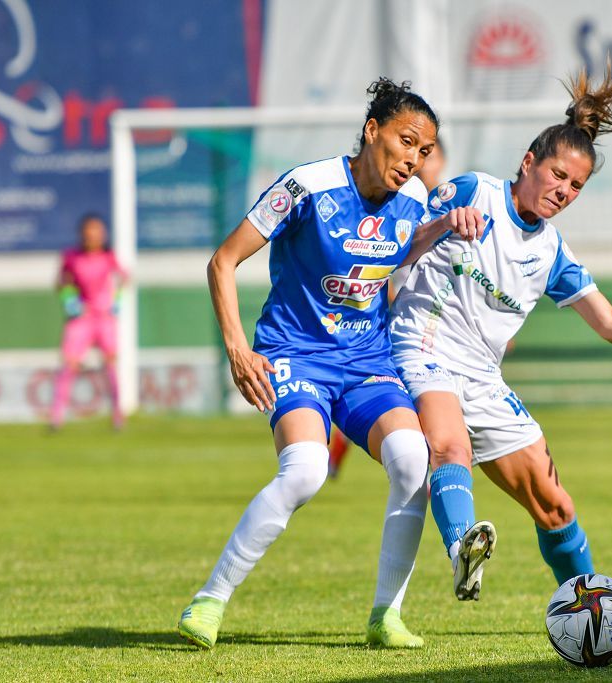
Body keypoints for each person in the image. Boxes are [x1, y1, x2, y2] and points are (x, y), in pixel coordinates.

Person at [388, 65, 612, 629]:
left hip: (483, 376)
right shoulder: (474, 190)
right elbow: (396, 250)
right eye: (557, 176)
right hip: (421, 346)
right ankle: (462, 551)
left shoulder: (551, 251)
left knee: (555, 504)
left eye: (576, 186)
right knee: (448, 446)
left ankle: (595, 605)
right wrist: (447, 221)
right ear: (528, 162)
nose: (564, 192)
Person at [177, 79, 483, 650]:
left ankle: (386, 617)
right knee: (305, 471)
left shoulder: (415, 201)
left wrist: (442, 228)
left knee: (413, 459)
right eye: (406, 141)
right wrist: (239, 350)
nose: (414, 159)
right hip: (294, 354)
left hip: (366, 359)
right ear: (372, 131)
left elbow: (396, 256)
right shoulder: (306, 186)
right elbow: (222, 261)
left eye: (425, 150)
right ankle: (209, 600)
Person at [326, 138, 449, 480]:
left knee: (410, 408)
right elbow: (380, 268)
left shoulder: (437, 208)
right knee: (390, 402)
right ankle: (425, 475)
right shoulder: (390, 202)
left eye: (430, 155)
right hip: (396, 329)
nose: (422, 162)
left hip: (433, 327)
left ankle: (425, 470)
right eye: (417, 152)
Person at [49, 213, 127, 431]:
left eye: (97, 231)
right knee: (69, 363)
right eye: (89, 231)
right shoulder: (71, 257)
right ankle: (56, 417)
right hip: (82, 318)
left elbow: (123, 279)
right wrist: (71, 302)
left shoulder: (108, 256)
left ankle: (118, 416)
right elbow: (62, 283)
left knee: (110, 363)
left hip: (104, 318)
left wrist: (116, 302)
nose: (93, 235)